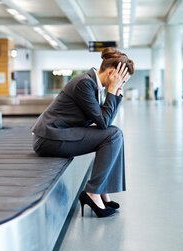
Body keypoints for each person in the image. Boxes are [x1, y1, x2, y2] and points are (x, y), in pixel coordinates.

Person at [31, 48, 134, 218]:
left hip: (62, 134)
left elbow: (107, 121)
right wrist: (112, 91)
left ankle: (102, 189)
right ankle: (93, 192)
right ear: (111, 74)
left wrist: (115, 93)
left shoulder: (96, 86)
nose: (122, 85)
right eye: (122, 81)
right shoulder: (84, 83)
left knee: (116, 133)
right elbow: (103, 122)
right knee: (112, 135)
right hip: (49, 138)